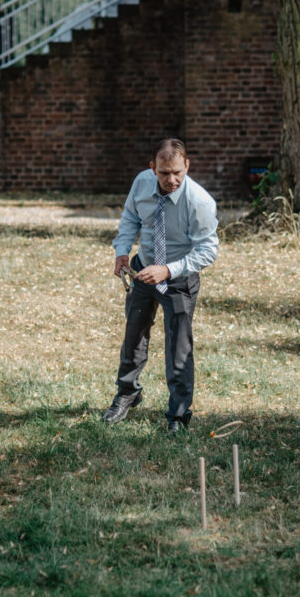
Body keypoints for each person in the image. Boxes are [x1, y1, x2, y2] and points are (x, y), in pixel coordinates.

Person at [104, 139, 219, 435]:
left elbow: (207, 251)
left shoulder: (200, 201)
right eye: (165, 173)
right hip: (144, 269)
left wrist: (167, 270)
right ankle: (128, 392)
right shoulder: (142, 183)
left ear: (187, 166)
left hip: (179, 276)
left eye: (178, 173)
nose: (172, 180)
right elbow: (131, 217)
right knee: (134, 335)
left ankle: (178, 415)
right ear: (152, 168)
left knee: (179, 347)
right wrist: (121, 250)